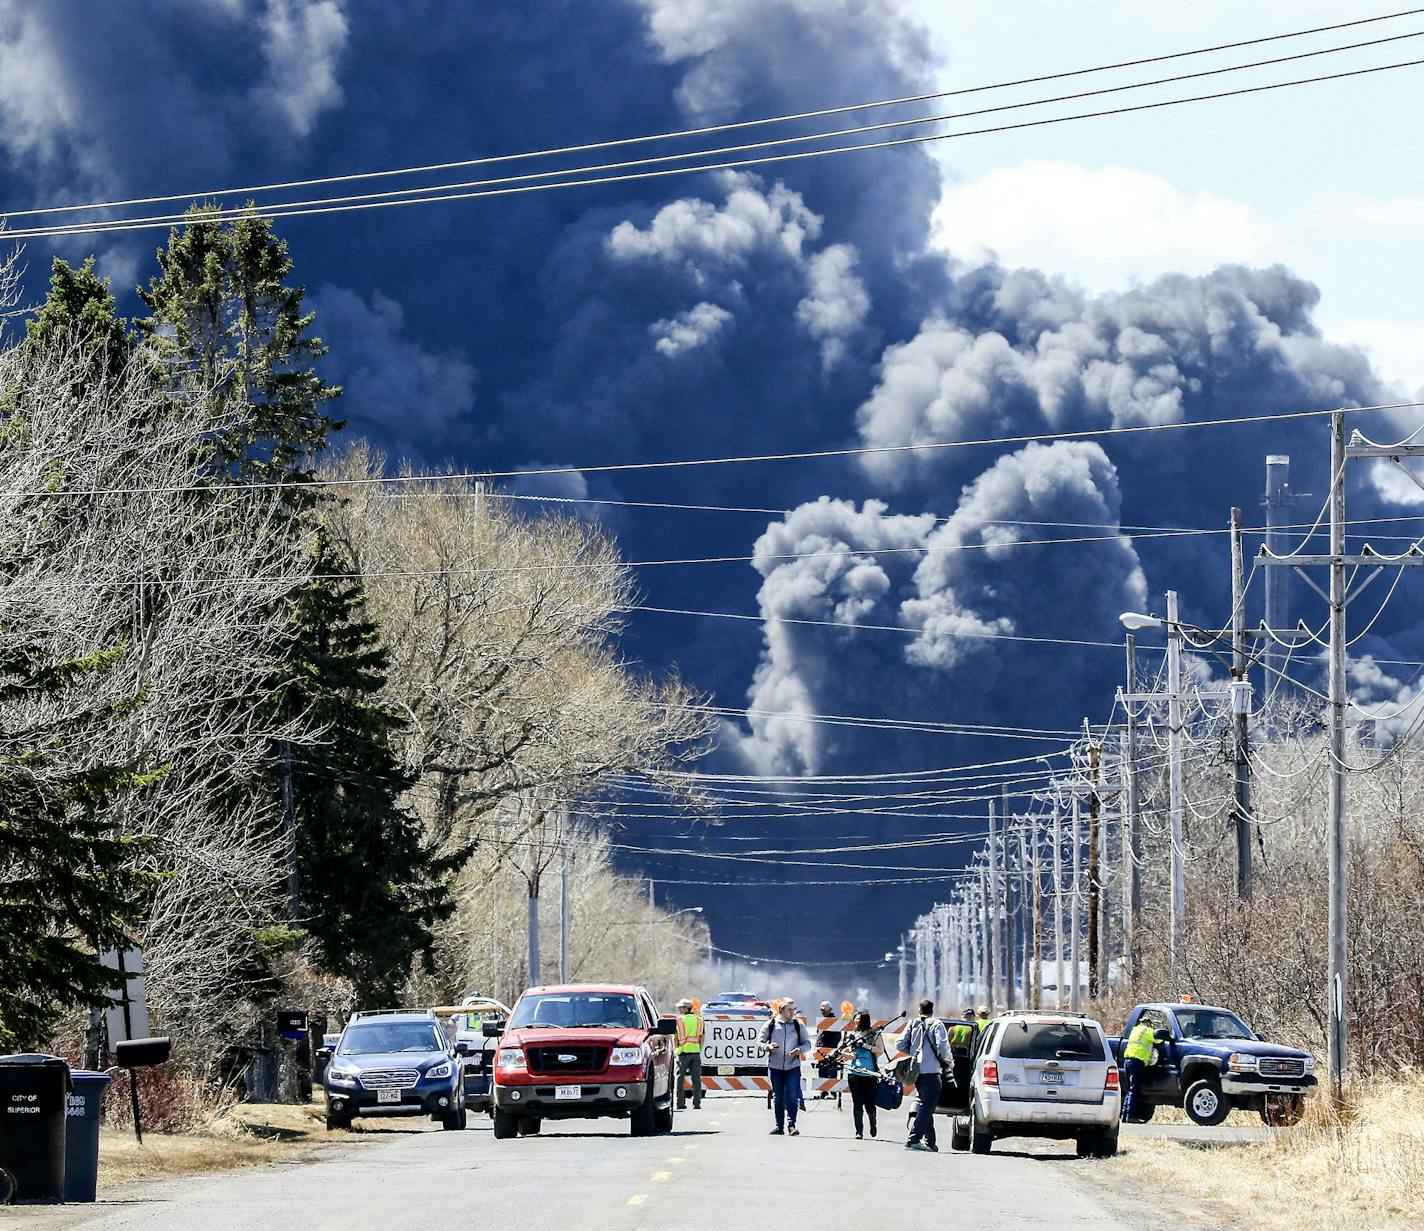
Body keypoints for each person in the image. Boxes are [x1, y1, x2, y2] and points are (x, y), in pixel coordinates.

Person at [904, 998, 951, 1153]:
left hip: (916, 1071)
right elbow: (942, 1045)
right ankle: (913, 1139)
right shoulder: (936, 1024)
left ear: (919, 1010)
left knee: (926, 1105)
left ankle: (930, 1142)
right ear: (932, 1010)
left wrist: (911, 1053)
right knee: (927, 1106)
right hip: (931, 1071)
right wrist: (949, 1062)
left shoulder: (913, 1023)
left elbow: (899, 1043)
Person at [760, 998, 809, 1136]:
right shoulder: (771, 1024)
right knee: (778, 1097)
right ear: (781, 1010)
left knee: (792, 1096)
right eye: (789, 1009)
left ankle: (791, 1125)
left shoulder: (798, 1025)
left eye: (793, 1009)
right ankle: (779, 1126)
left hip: (793, 1067)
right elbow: (759, 1043)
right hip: (775, 1067)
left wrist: (800, 1049)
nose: (792, 1012)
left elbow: (807, 1043)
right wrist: (768, 1047)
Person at [841, 1010, 885, 1140]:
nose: (856, 1020)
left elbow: (880, 1050)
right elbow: (853, 1054)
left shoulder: (873, 1034)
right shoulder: (853, 1035)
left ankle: (872, 1121)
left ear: (864, 1020)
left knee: (869, 1103)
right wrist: (845, 1054)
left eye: (858, 1019)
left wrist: (864, 1045)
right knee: (857, 1102)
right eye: (855, 1018)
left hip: (870, 1073)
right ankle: (858, 1131)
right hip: (854, 1073)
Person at [1121, 1018, 1157, 1123]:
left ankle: (1124, 1116)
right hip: (1137, 1062)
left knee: (1129, 1090)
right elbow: (1158, 1040)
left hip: (1127, 1061)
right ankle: (1131, 1116)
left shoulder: (1135, 1030)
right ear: (1148, 1023)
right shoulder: (1148, 1031)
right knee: (1134, 1090)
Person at [674, 997, 704, 1110]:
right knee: (696, 1079)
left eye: (680, 1008)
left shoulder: (680, 1020)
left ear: (686, 1008)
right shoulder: (699, 1020)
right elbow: (701, 1037)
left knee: (680, 1078)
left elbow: (677, 1038)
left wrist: (676, 1049)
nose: (679, 1009)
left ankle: (680, 1103)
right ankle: (697, 1103)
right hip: (696, 1052)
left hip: (683, 1053)